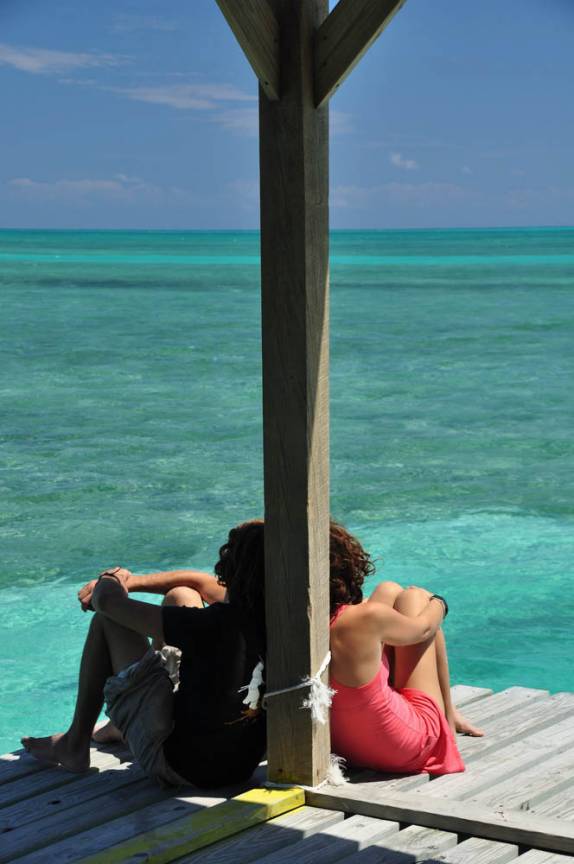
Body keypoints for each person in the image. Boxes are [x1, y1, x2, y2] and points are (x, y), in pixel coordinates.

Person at [22, 521, 267, 789]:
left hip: (179, 767)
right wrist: (133, 582)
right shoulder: (277, 617)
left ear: (230, 569)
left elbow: (109, 603)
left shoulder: (211, 624)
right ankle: (123, 725)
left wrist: (112, 578)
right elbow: (196, 582)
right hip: (240, 767)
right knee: (181, 595)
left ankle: (74, 744)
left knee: (108, 622)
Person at [327, 521, 483, 776]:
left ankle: (449, 713)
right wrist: (439, 602)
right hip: (401, 747)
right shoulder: (367, 617)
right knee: (415, 598)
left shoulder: (297, 619)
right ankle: (445, 721)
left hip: (344, 746)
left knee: (388, 590)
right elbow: (423, 629)